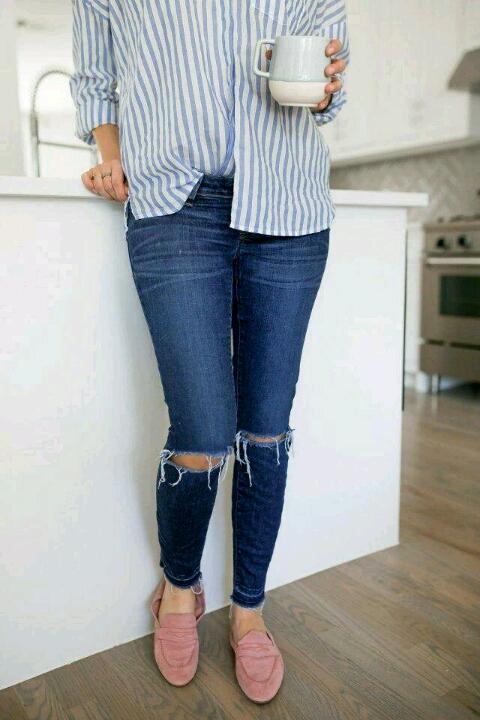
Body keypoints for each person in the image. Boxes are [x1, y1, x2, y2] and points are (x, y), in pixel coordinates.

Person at [71, 0, 349, 704]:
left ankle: (249, 609)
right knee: (202, 430)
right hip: (175, 204)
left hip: (288, 206)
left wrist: (324, 88)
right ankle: (179, 587)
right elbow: (96, 79)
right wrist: (110, 155)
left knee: (266, 429)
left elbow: (328, 96)